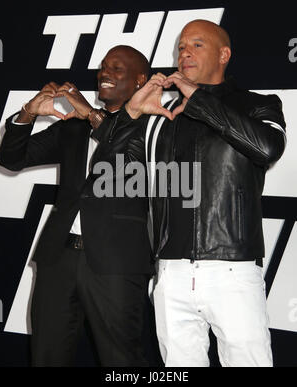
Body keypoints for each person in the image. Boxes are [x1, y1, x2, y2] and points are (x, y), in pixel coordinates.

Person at [121, 20, 287, 367]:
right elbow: (110, 158)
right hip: (171, 272)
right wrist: (133, 112)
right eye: (181, 46)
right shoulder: (161, 115)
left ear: (224, 55)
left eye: (196, 44)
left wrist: (197, 100)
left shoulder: (258, 104)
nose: (184, 52)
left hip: (233, 270)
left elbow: (267, 148)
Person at [0, 45, 153, 367]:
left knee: (122, 362)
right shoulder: (74, 127)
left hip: (117, 264)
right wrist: (27, 112)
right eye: (102, 67)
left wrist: (91, 115)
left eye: (116, 68)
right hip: (59, 258)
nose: (104, 74)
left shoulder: (153, 129)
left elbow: (131, 159)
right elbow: (11, 158)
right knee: (47, 358)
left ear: (141, 80)